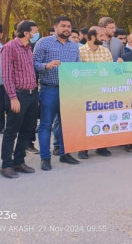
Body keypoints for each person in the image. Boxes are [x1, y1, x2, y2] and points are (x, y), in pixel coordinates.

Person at [34, 15, 81, 170]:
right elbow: (33, 63)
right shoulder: (43, 43)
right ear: (55, 27)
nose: (66, 29)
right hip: (49, 89)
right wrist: (46, 66)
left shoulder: (74, 46)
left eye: (69, 26)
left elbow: (77, 67)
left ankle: (65, 153)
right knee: (46, 124)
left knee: (66, 124)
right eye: (63, 26)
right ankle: (45, 158)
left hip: (68, 91)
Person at [1, 21, 39, 179]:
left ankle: (19, 160)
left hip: (32, 94)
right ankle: (6, 165)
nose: (36, 34)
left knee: (27, 130)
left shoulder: (28, 48)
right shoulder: (10, 47)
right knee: (11, 131)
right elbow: (7, 75)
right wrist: (13, 98)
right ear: (26, 33)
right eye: (34, 31)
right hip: (18, 95)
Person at [77, 26, 113, 159]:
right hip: (85, 92)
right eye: (101, 36)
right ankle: (83, 148)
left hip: (102, 92)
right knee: (85, 121)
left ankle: (101, 147)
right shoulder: (79, 51)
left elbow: (110, 71)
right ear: (92, 37)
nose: (104, 38)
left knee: (102, 119)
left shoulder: (106, 51)